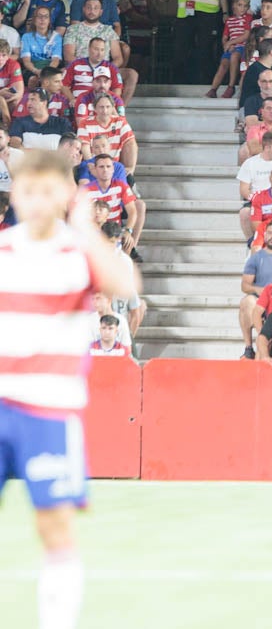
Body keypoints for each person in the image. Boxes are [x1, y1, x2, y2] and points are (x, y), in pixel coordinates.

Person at [0, 149, 142, 629]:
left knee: (54, 528)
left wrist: (86, 228)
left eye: (49, 190)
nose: (38, 200)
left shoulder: (79, 252)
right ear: (15, 195)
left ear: (66, 194)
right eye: (28, 190)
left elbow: (124, 283)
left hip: (48, 412)